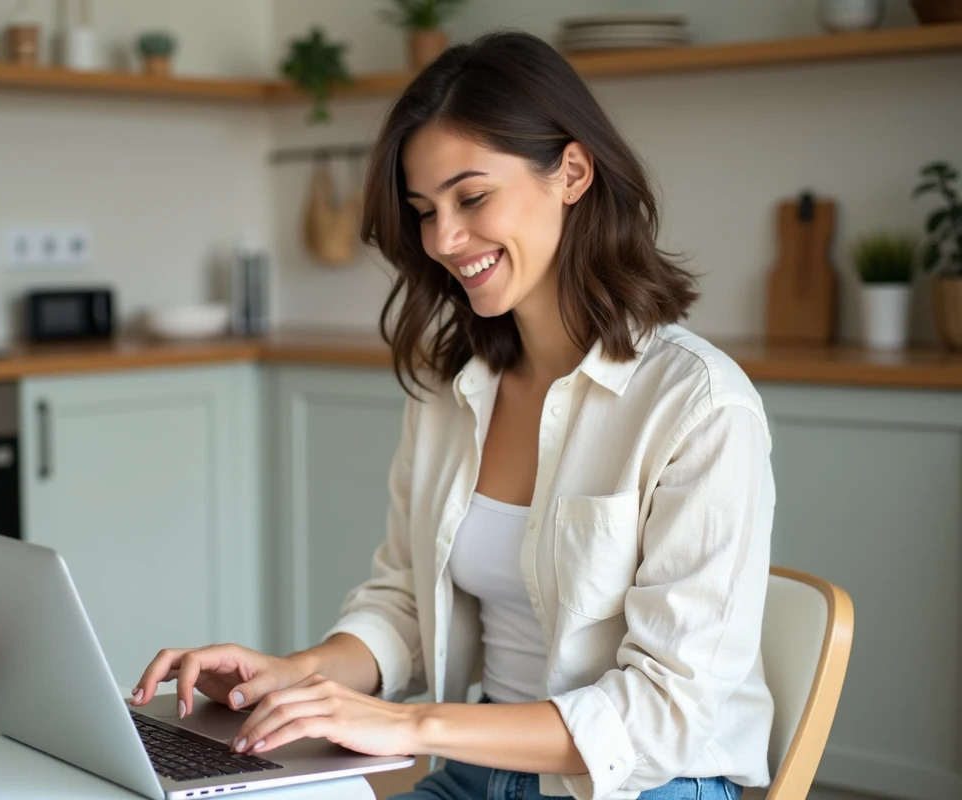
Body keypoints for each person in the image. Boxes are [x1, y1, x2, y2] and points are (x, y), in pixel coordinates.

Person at [132, 30, 774, 800]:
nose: (443, 239)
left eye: (472, 198)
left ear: (571, 172)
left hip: (644, 786)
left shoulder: (699, 405)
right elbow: (405, 600)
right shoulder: (452, 390)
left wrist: (410, 727)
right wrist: (299, 673)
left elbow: (668, 711)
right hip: (479, 774)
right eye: (424, 210)